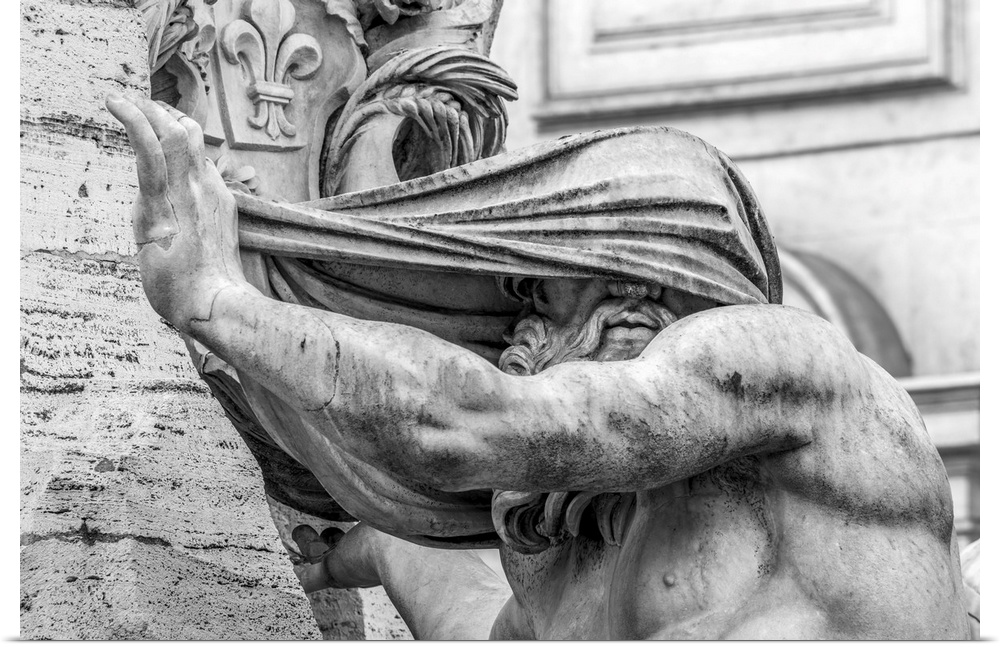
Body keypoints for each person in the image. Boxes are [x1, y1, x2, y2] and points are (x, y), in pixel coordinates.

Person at [106, 94, 972, 640]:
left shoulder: (789, 373)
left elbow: (468, 423)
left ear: (638, 292)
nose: (516, 334)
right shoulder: (572, 567)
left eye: (538, 294)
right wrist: (372, 546)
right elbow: (471, 622)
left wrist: (218, 301)